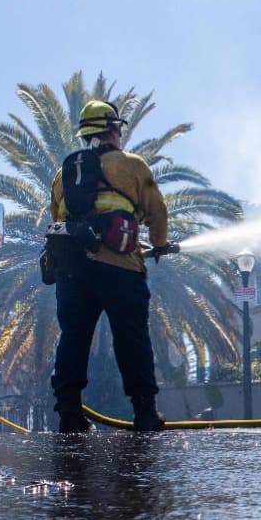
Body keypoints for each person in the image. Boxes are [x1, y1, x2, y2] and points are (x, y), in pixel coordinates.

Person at [48, 100, 169, 433]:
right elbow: (157, 210)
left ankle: (69, 414)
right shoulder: (131, 164)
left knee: (73, 338)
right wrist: (159, 244)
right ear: (114, 130)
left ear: (86, 134)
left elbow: (56, 218)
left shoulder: (64, 173)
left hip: (72, 271)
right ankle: (145, 413)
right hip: (120, 267)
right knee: (131, 338)